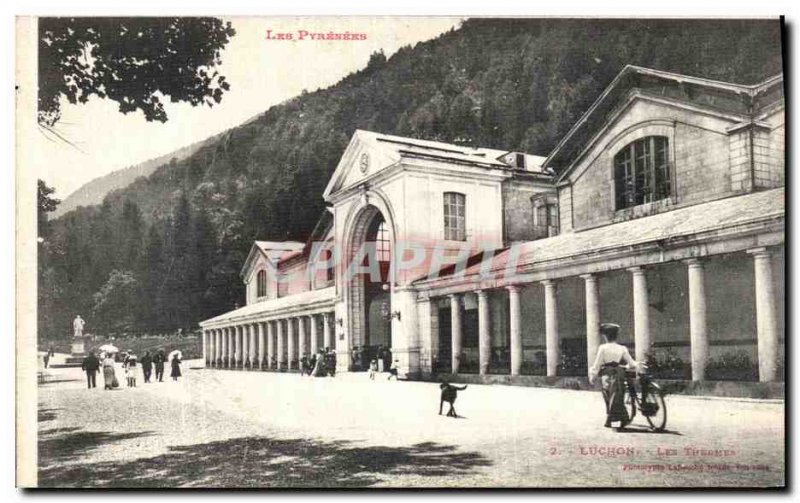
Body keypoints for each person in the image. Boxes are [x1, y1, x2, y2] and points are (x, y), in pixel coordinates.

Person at [588, 323, 643, 429]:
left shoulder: (603, 348)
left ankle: (611, 418)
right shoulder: (622, 348)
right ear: (616, 335)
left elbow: (597, 363)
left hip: (607, 373)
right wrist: (630, 366)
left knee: (608, 394)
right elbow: (631, 363)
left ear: (605, 336)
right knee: (618, 395)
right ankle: (619, 418)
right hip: (619, 373)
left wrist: (593, 375)